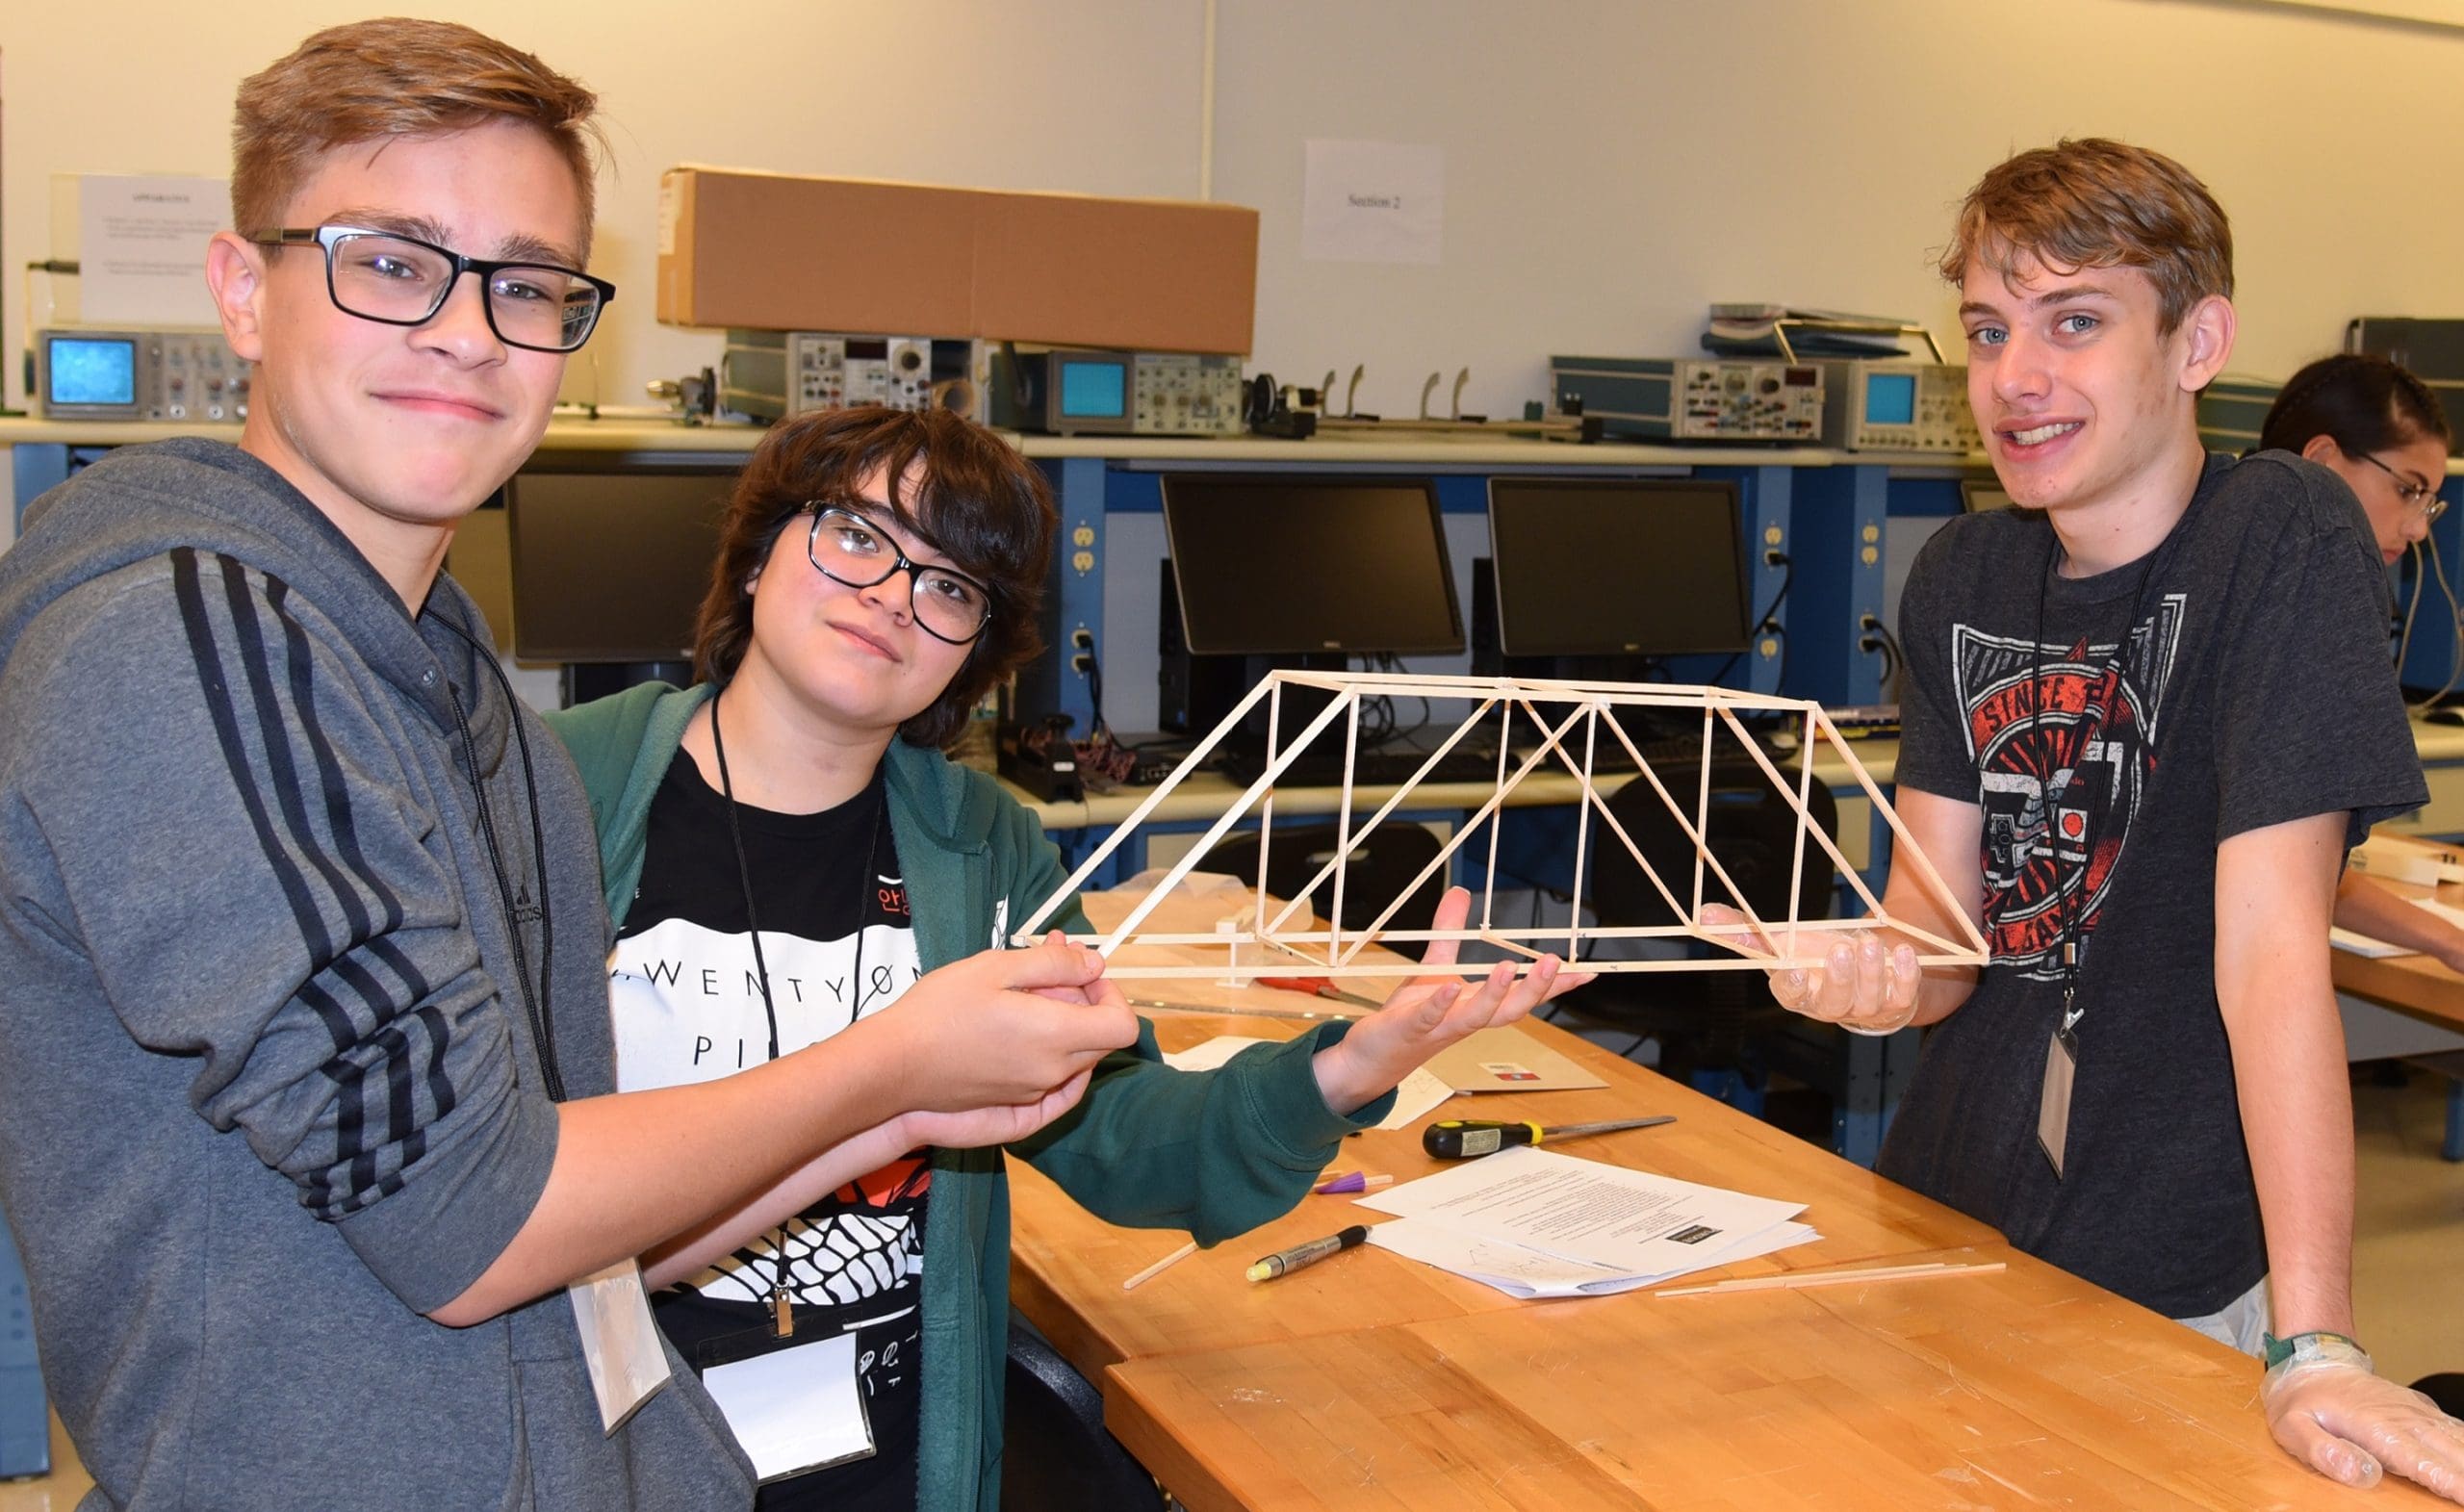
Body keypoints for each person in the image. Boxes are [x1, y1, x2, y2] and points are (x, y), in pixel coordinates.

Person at [0, 21, 1140, 1509]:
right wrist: (891, 1058)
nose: (468, 332)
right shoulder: (187, 645)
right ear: (242, 291)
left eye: (526, 285)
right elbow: (476, 1222)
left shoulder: (452, 689)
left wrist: (900, 1117)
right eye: (393, 260)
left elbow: (580, 1229)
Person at [543, 402, 1577, 1510]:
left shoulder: (984, 843)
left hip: (887, 1456)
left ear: (970, 656)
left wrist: (1347, 1067)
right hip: (598, 1445)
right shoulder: (559, 788)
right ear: (755, 556)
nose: (894, 595)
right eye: (856, 535)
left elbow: (1113, 1122)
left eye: (950, 586)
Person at [1713, 139, 2464, 1500]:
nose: (2016, 376)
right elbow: (1937, 939)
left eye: (2076, 322)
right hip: (1951, 1209)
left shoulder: (2278, 535)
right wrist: (1868, 980)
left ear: (2198, 342)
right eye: (1990, 331)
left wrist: (2316, 1340)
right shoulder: (1964, 571)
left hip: (2171, 1248)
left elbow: (2271, 953)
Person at [2258, 353, 2464, 968]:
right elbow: (2302, 873)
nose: (2418, 528)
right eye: (2407, 488)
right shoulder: (2291, 608)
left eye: (2428, 501)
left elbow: (2311, 861)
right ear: (2321, 461)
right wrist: (2448, 941)